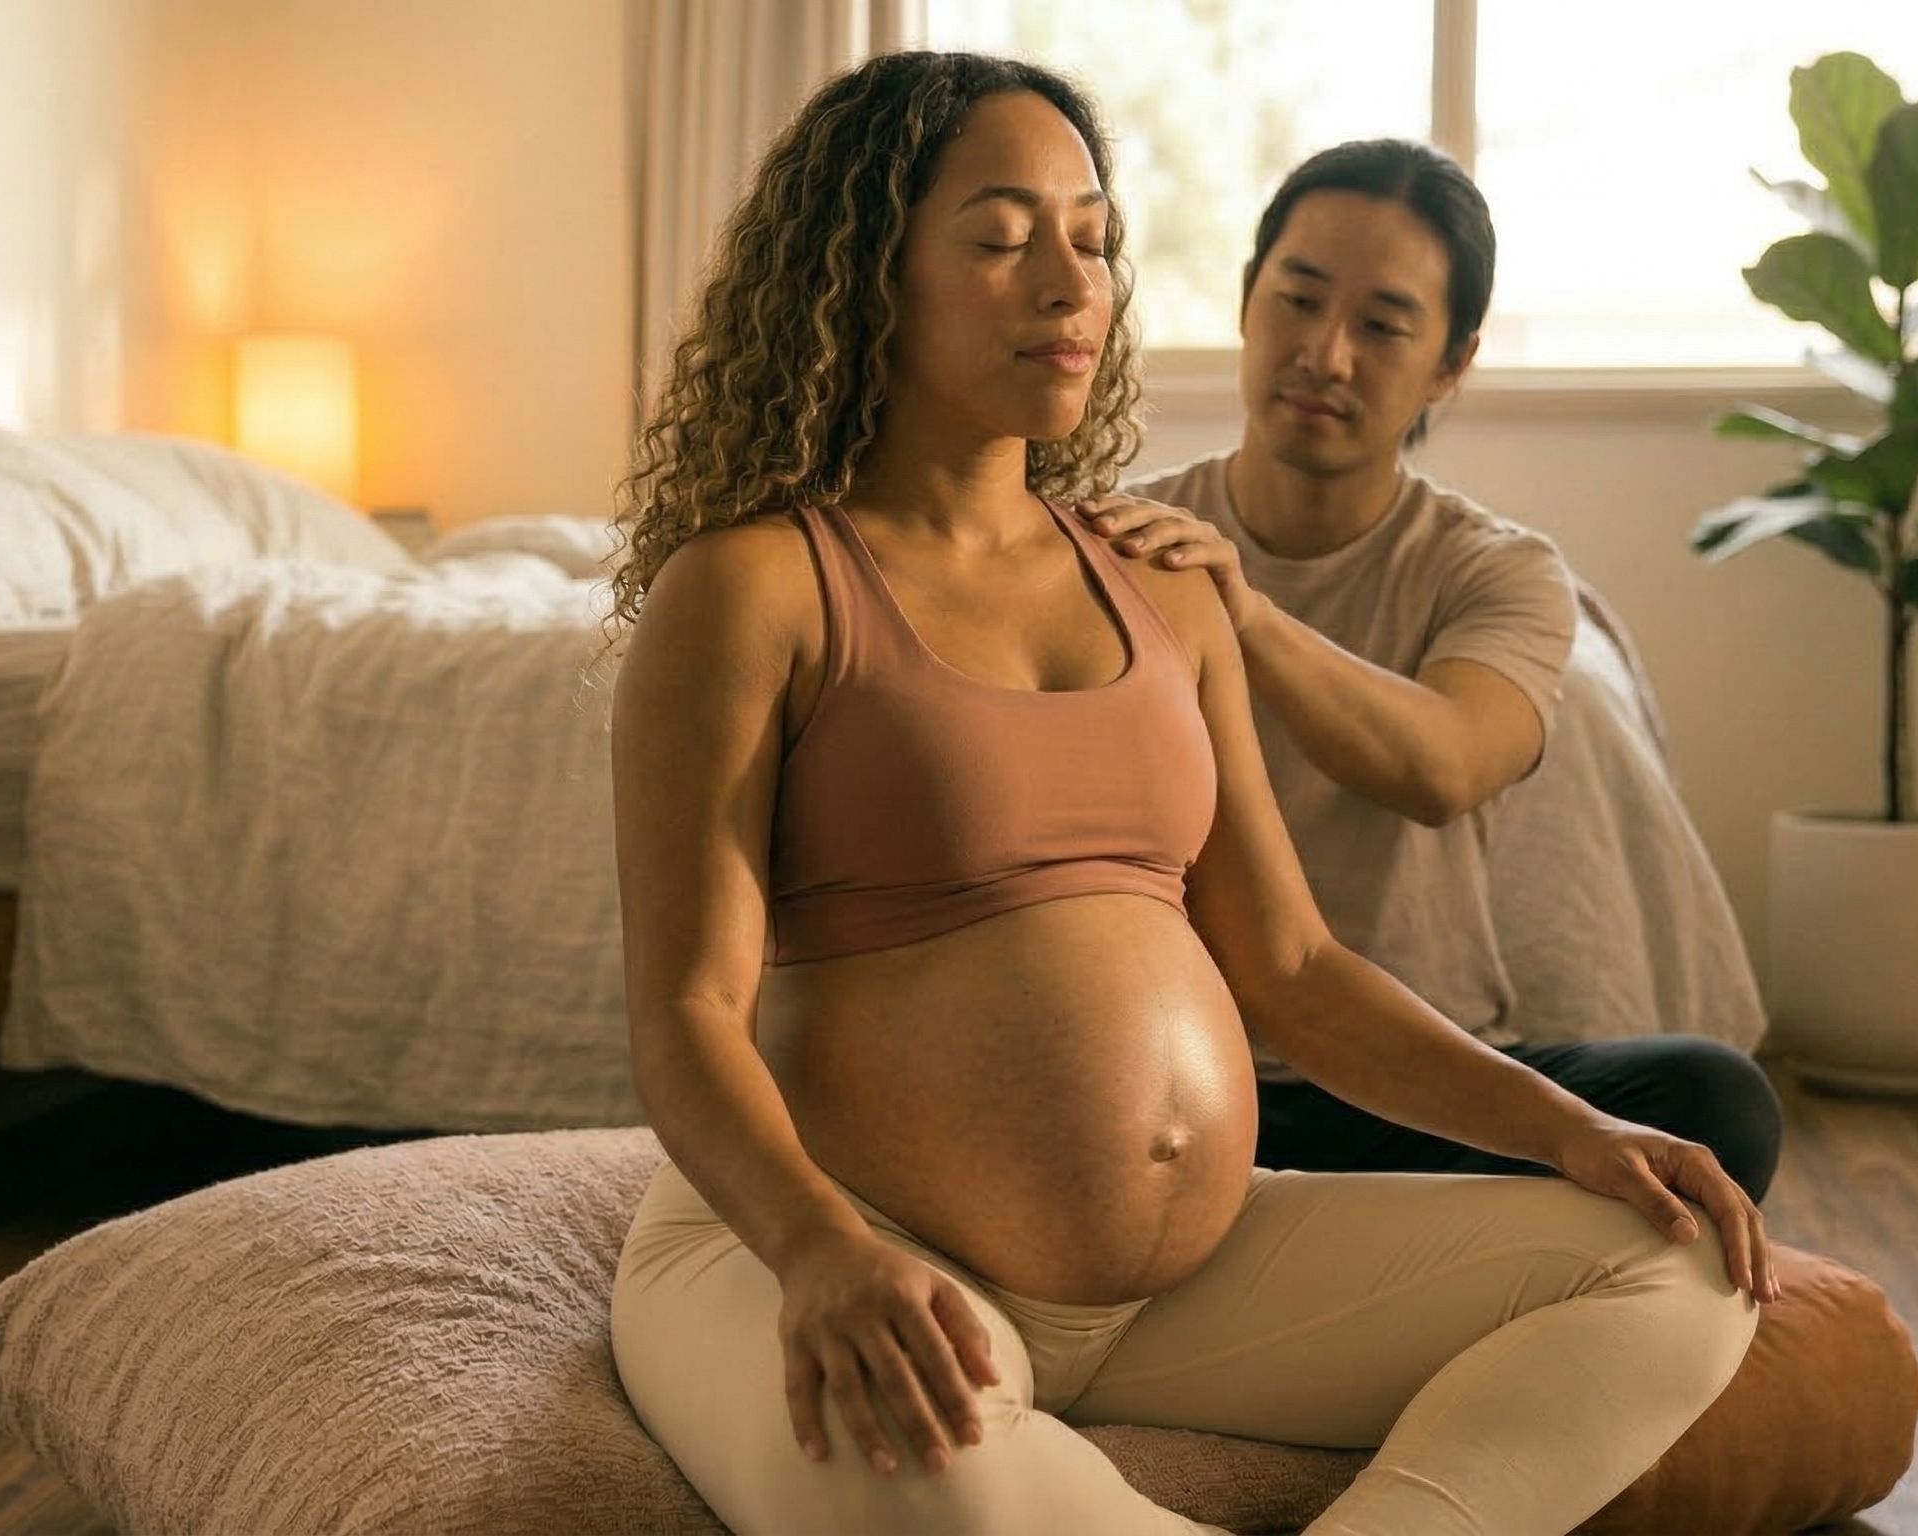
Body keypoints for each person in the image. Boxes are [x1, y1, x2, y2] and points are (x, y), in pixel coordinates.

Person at [601, 52, 1772, 1536]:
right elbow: (685, 1012)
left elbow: (1288, 967)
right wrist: (821, 1251)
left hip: (1180, 1287)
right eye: (1001, 234)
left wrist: (1568, 1131)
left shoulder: (1162, 584)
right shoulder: (754, 587)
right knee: (946, 1497)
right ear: (865, 269)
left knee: (1672, 1265)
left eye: (1091, 238)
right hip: (856, 1251)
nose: (1067, 282)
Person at [1088, 139, 1784, 1202]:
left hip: (1426, 1088)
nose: (1325, 355)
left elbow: (1445, 765)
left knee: (1714, 1102)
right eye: (1299, 300)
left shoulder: (1498, 573)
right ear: (1247, 303)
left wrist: (1247, 616)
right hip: (1177, 1074)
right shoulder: (1120, 539)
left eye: (1381, 326)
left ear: (1450, 364)